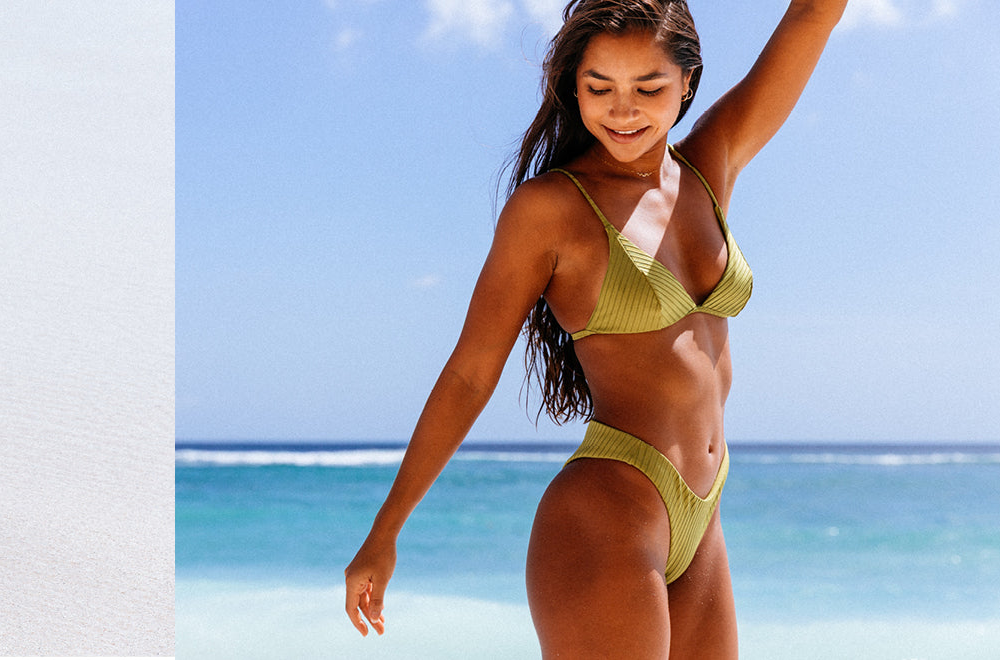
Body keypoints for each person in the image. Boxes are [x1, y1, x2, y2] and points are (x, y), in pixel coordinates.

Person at [342, 1, 844, 656]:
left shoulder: (710, 167)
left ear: (687, 83)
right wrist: (387, 530)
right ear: (573, 86)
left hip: (703, 518)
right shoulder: (550, 210)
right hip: (607, 513)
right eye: (598, 87)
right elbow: (470, 371)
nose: (623, 109)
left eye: (648, 87)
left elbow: (813, 15)